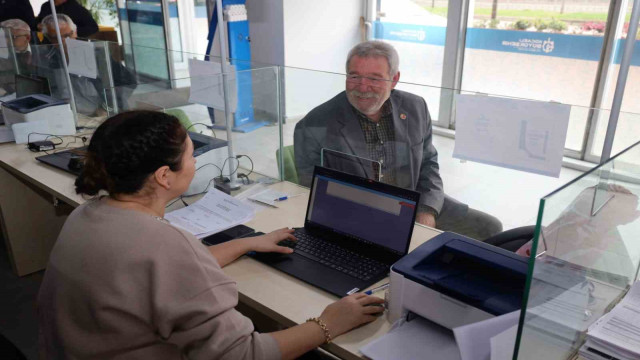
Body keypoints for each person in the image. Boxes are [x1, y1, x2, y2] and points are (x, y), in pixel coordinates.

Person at [37, 110, 385, 359]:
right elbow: (246, 353)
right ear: (164, 176)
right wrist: (328, 323)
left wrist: (246, 243)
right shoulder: (164, 246)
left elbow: (159, 274)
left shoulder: (88, 214)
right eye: (191, 154)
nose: (195, 161)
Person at [294, 40, 502, 241]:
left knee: (489, 227)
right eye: (354, 76)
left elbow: (428, 164)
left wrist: (427, 210)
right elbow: (315, 194)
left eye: (375, 78)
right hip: (358, 212)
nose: (363, 87)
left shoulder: (415, 107)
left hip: (413, 200)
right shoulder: (314, 125)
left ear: (394, 79)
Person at [37, 14, 136, 116]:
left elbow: (128, 82)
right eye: (56, 38)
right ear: (48, 38)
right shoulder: (48, 57)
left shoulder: (94, 55)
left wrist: (106, 108)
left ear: (75, 32)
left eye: (67, 35)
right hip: (66, 114)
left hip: (98, 115)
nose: (63, 41)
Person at [0, 19, 34, 96]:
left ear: (27, 38)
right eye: (4, 37)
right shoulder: (2, 56)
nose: (7, 41)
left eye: (12, 37)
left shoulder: (42, 52)